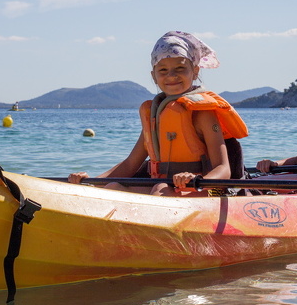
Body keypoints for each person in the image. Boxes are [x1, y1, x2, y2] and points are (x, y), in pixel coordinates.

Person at [69, 31, 248, 196]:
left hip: (201, 189)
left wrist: (195, 181)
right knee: (113, 187)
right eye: (163, 70)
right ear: (154, 75)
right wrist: (91, 183)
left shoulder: (203, 114)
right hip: (162, 186)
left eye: (180, 68)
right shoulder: (155, 115)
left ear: (195, 71)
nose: (171, 76)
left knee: (160, 188)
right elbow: (131, 164)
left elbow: (223, 168)